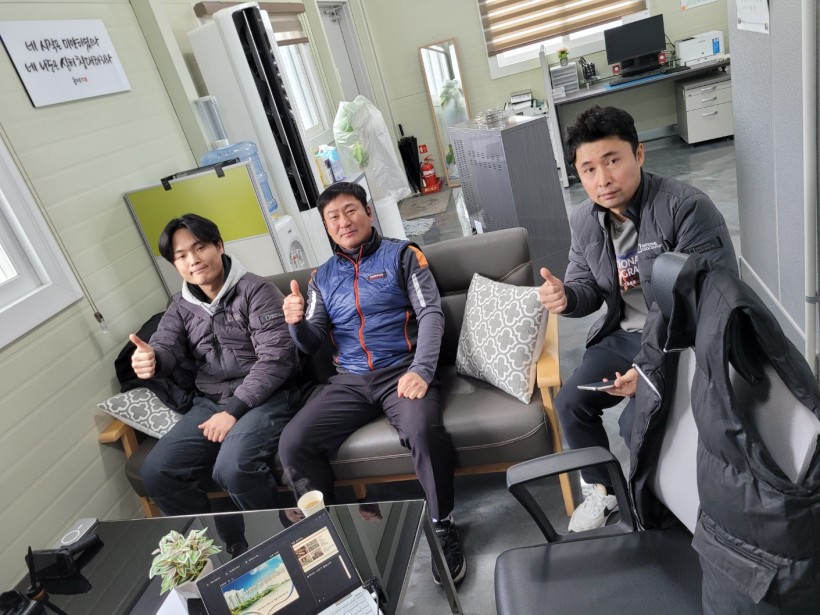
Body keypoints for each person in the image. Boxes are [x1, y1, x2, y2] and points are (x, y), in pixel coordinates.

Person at [539, 106, 737, 533]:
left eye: (612, 160)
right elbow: (586, 286)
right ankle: (603, 491)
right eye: (588, 169)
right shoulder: (585, 219)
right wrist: (566, 297)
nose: (603, 179)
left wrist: (648, 368)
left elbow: (706, 303)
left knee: (637, 423)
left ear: (639, 154)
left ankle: (671, 511)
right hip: (623, 335)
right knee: (571, 403)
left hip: (681, 341)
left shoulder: (686, 208)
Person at [278, 182, 466, 585]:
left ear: (368, 211)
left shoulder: (403, 255)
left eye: (350, 210)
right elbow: (311, 341)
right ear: (326, 226)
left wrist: (422, 369)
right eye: (333, 217)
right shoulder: (321, 278)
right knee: (293, 443)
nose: (343, 222)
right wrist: (295, 322)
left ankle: (443, 524)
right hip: (350, 380)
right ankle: (327, 539)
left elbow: (431, 313)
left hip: (402, 371)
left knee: (422, 430)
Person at [131, 214, 298, 522]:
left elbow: (276, 360)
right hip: (212, 403)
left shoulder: (257, 291)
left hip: (268, 397)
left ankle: (283, 529)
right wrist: (152, 359)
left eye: (200, 248)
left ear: (219, 246)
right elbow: (166, 346)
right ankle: (221, 540)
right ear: (175, 264)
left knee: (233, 468)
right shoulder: (179, 306)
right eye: (181, 256)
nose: (193, 260)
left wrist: (232, 411)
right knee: (157, 472)